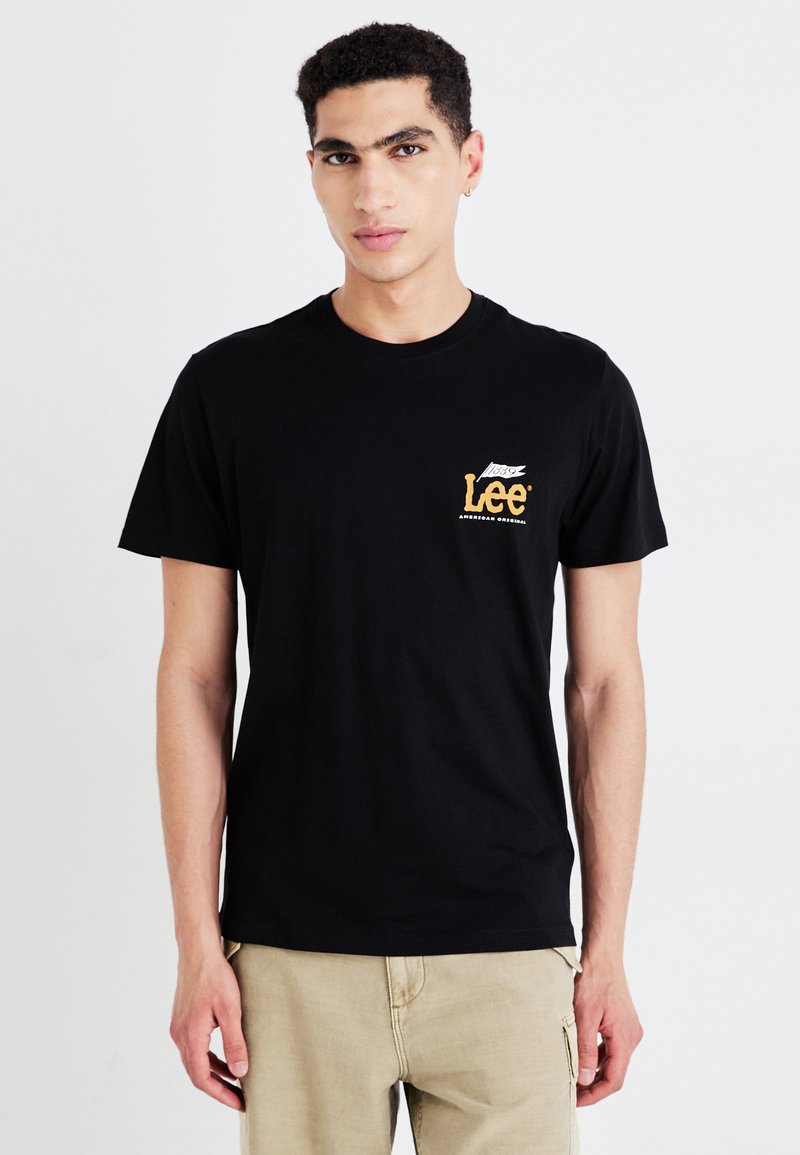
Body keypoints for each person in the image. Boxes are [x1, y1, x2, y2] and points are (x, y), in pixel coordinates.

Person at [118, 20, 668, 1155]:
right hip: (290, 946)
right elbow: (194, 677)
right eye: (341, 155)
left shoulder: (571, 391)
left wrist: (605, 947)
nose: (372, 190)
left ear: (469, 159)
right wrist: (195, 941)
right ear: (312, 168)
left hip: (507, 943)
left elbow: (604, 684)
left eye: (406, 148)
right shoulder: (230, 391)